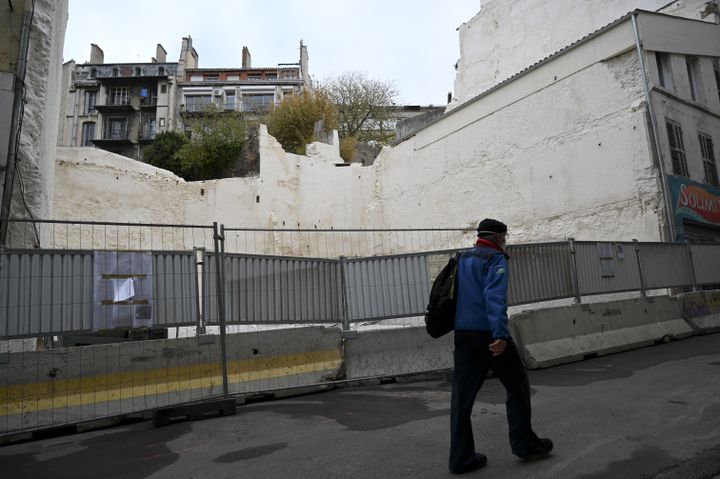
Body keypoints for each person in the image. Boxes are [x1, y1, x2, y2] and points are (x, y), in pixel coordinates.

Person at [448, 218, 553, 474]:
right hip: (488, 335)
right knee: (517, 385)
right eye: (504, 236)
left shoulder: (462, 259)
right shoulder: (495, 259)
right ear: (496, 237)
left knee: (462, 398)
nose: (506, 240)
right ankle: (524, 444)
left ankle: (461, 459)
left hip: (462, 334)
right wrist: (501, 336)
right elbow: (494, 297)